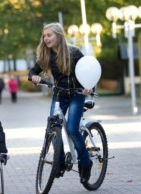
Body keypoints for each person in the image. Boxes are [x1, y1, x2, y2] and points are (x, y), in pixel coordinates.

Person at [28, 22, 93, 183]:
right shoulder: (46, 55)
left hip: (77, 94)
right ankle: (60, 161)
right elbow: (32, 71)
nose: (45, 39)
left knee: (71, 128)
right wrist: (33, 77)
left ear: (58, 35)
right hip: (59, 95)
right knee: (53, 127)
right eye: (44, 36)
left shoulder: (74, 52)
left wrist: (89, 87)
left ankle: (86, 162)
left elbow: (89, 70)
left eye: (49, 35)